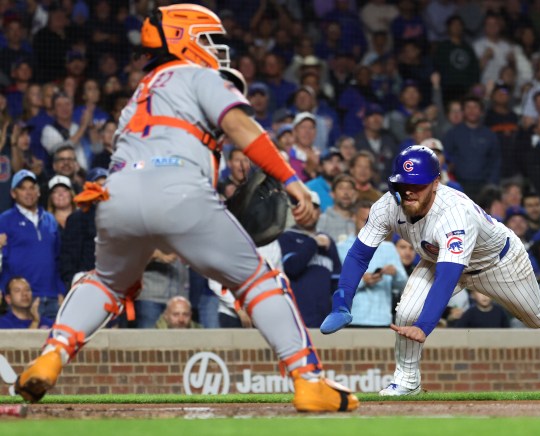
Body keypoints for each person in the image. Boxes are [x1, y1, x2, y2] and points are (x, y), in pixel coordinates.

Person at [14, 5, 358, 413]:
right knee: (258, 281)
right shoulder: (199, 75)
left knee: (105, 282)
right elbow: (242, 128)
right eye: (208, 39)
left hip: (116, 195)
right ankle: (308, 380)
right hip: (178, 190)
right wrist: (292, 180)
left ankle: (51, 356)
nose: (215, 49)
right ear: (183, 38)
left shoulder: (138, 96)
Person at [320, 146, 540, 396]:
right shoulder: (387, 206)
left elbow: (449, 276)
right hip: (437, 258)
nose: (409, 191)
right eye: (403, 184)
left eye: (418, 184)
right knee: (406, 312)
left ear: (436, 183)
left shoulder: (453, 213)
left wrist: (425, 327)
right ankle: (407, 380)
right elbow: (358, 254)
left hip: (497, 262)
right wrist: (341, 300)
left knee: (536, 316)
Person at [0, 170, 65, 320]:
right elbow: (2, 261)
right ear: (13, 193)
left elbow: (57, 259)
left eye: (32, 187)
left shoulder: (50, 219)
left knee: (55, 343)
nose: (28, 192)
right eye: (22, 188)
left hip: (53, 298)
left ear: (39, 191)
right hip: (21, 301)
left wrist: (61, 290)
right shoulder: (4, 220)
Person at [337, 200, 407, 327]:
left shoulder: (388, 248)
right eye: (364, 220)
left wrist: (395, 273)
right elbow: (337, 287)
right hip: (353, 319)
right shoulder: (342, 248)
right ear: (354, 218)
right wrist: (363, 281)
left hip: (383, 320)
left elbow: (404, 285)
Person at [279, 191, 341, 328]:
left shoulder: (328, 241)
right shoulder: (286, 238)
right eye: (302, 208)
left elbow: (337, 280)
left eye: (311, 208)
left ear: (319, 212)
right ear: (295, 212)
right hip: (296, 318)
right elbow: (292, 268)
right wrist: (313, 242)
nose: (307, 212)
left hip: (324, 319)